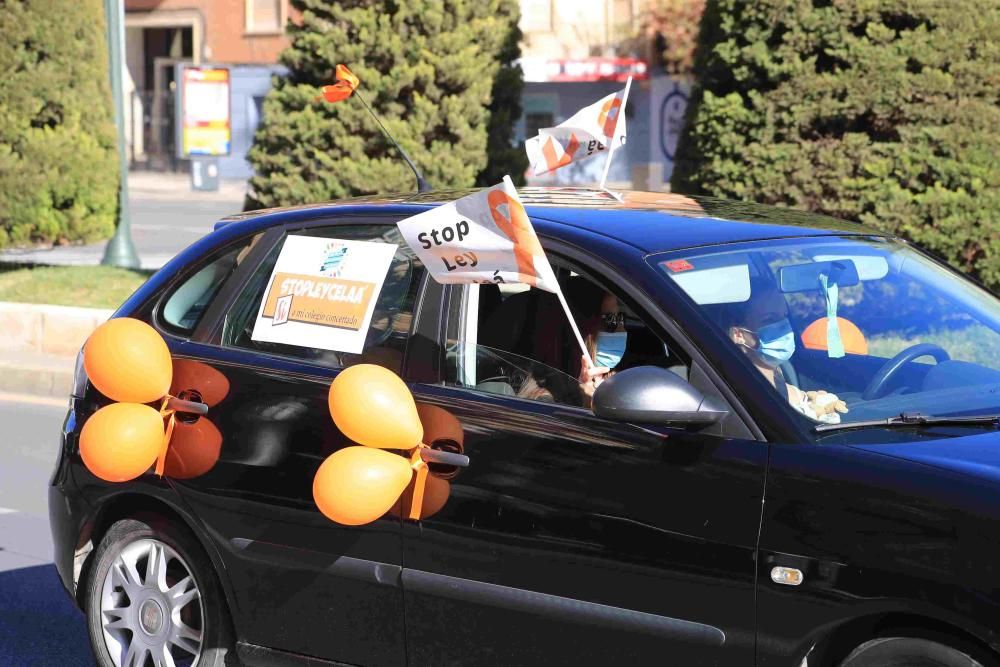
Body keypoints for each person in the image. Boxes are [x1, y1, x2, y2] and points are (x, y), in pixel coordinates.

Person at [724, 278, 848, 423]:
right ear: (739, 335)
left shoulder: (775, 377)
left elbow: (792, 395)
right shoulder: (744, 391)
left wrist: (816, 402)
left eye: (784, 316)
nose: (783, 326)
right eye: (770, 319)